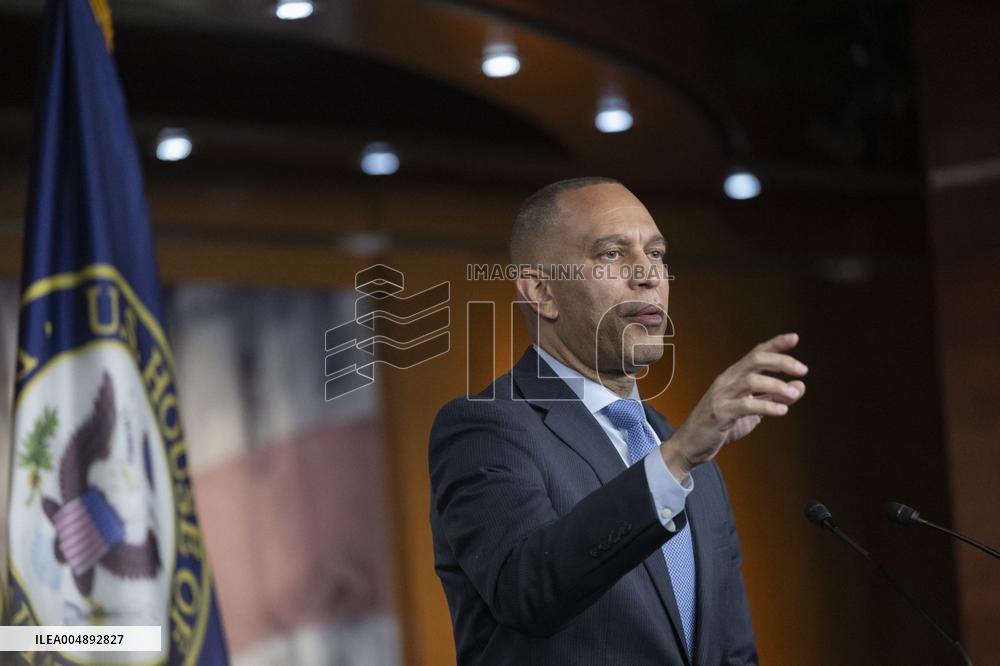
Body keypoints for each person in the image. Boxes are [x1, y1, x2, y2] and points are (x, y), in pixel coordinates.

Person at [428, 177, 807, 665]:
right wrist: (676, 459)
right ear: (542, 291)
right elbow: (527, 590)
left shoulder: (683, 452)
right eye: (612, 254)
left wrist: (680, 456)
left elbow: (731, 651)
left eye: (657, 254)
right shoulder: (484, 427)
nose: (648, 275)